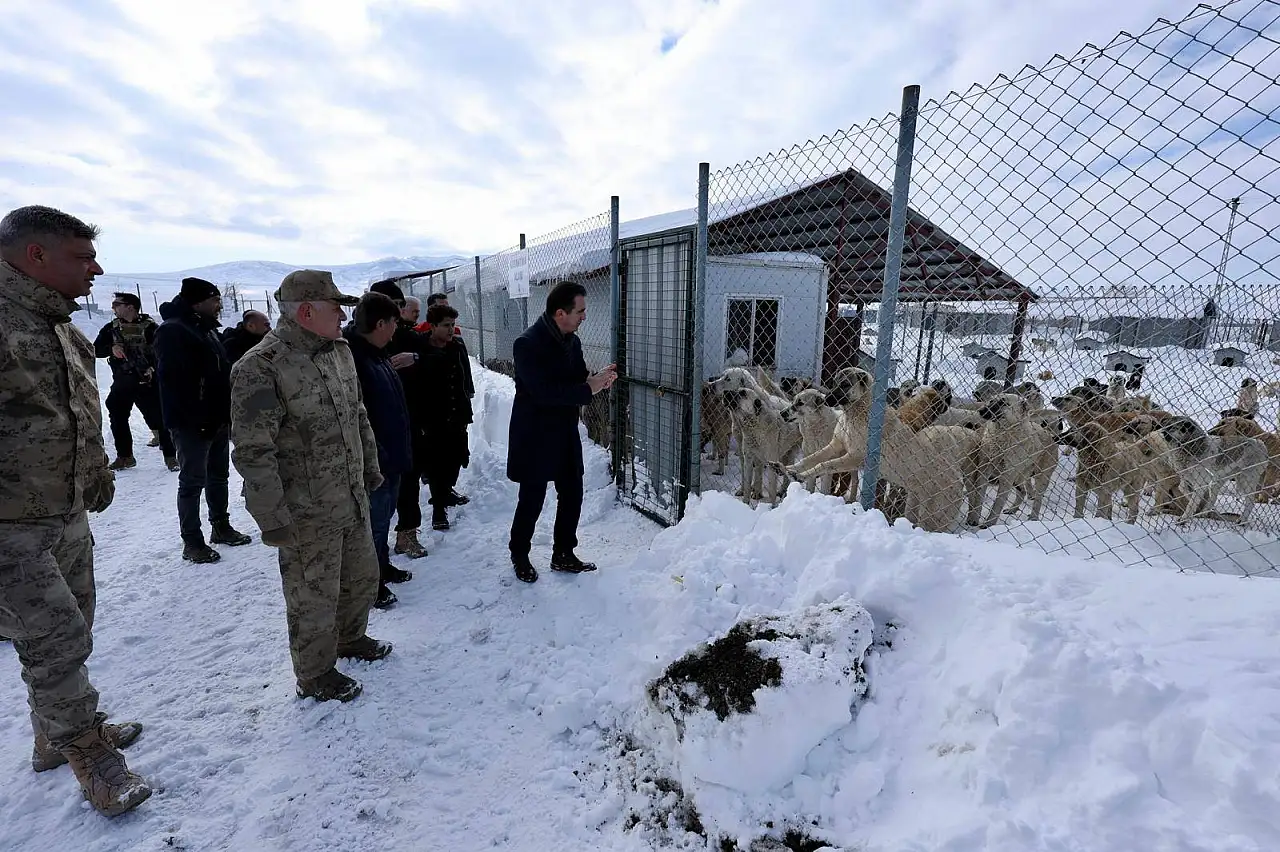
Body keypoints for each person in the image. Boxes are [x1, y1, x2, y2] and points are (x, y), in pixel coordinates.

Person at [0, 205, 151, 816]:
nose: (97, 269)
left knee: (76, 625)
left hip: (63, 512)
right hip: (11, 526)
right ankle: (92, 759)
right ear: (36, 256)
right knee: (55, 639)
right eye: (82, 257)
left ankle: (50, 740)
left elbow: (73, 411)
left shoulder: (58, 323)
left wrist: (93, 476)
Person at [231, 270, 391, 703]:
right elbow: (252, 452)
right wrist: (272, 518)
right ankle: (315, 673)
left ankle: (351, 639)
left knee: (361, 578)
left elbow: (357, 415)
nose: (343, 315)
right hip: (306, 510)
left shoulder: (339, 351)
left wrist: (370, 469)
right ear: (306, 311)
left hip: (351, 496)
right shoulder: (259, 368)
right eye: (335, 307)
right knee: (312, 597)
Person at [507, 281, 616, 583]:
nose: (584, 317)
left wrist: (598, 379)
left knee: (572, 492)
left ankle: (563, 553)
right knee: (532, 497)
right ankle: (519, 553)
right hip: (535, 433)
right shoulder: (527, 344)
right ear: (560, 313)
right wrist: (586, 388)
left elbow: (578, 377)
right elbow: (542, 392)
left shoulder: (573, 340)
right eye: (580, 311)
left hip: (564, 431)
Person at [154, 277, 253, 563]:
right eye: (214, 299)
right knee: (192, 482)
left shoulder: (205, 328)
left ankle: (220, 527)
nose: (219, 305)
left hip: (216, 418)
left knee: (218, 476)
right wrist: (196, 419)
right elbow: (175, 383)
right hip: (192, 424)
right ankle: (192, 542)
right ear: (197, 302)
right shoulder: (174, 331)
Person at [343, 292, 415, 608]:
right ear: (381, 323)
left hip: (391, 456)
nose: (396, 330)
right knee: (371, 526)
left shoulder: (377, 354)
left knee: (383, 519)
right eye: (394, 323)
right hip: (376, 462)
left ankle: (382, 568)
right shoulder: (354, 359)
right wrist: (379, 457)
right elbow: (359, 418)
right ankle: (369, 586)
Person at [368, 281, 433, 560]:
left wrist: (415, 358)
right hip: (375, 425)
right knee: (378, 493)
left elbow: (433, 357)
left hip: (407, 418)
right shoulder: (359, 341)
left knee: (408, 480)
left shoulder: (405, 335)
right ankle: (374, 558)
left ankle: (406, 534)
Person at [92, 291, 177, 471]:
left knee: (160, 419)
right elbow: (96, 350)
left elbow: (166, 353)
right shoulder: (111, 328)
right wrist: (112, 347)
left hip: (148, 381)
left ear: (130, 307)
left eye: (117, 304)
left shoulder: (151, 328)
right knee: (117, 417)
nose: (113, 308)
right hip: (123, 381)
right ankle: (125, 456)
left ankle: (171, 457)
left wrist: (152, 368)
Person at [418, 303, 475, 531]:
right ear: (432, 326)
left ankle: (447, 491)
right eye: (445, 325)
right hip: (434, 416)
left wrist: (467, 398)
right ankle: (438, 508)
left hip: (457, 412)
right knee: (437, 464)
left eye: (453, 325)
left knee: (457, 457)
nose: (451, 330)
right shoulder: (420, 347)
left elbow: (464, 374)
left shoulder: (457, 345)